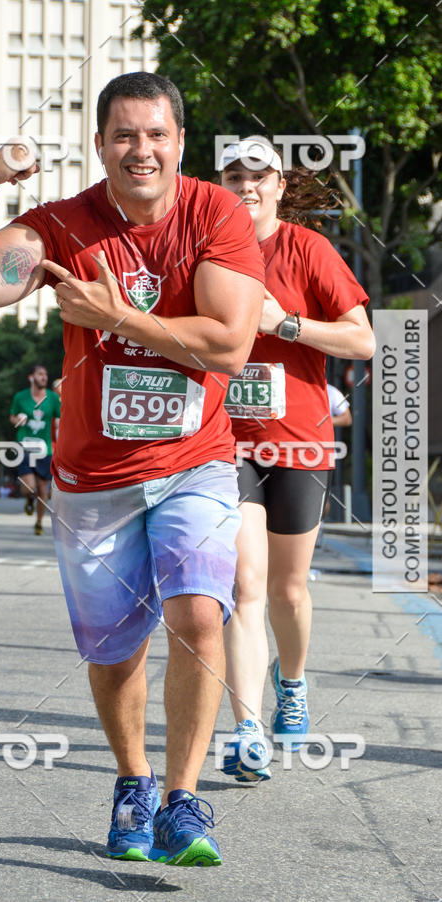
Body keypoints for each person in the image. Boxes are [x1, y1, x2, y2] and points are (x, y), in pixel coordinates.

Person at [0, 72, 264, 866]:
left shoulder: (216, 214)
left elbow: (229, 344)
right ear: (100, 145)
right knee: (115, 648)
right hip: (94, 480)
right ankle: (134, 783)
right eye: (124, 135)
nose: (140, 150)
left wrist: (115, 315)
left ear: (180, 143)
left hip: (196, 462)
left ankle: (185, 801)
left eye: (156, 134)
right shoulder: (61, 226)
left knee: (197, 616)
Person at [216, 137, 375, 783]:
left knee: (287, 589)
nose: (246, 186)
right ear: (219, 183)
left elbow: (363, 340)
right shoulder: (205, 251)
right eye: (233, 175)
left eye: (259, 176)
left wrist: (285, 325)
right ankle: (246, 730)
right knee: (243, 586)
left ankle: (294, 680)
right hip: (225, 442)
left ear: (280, 185)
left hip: (299, 441)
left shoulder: (308, 250)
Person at [9, 364, 61, 534]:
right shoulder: (20, 397)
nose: (44, 377)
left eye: (45, 374)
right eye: (40, 374)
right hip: (24, 445)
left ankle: (39, 522)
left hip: (45, 449)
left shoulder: (52, 398)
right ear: (31, 377)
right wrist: (17, 420)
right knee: (29, 488)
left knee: (42, 489)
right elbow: (12, 416)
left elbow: (61, 419)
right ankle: (28, 499)